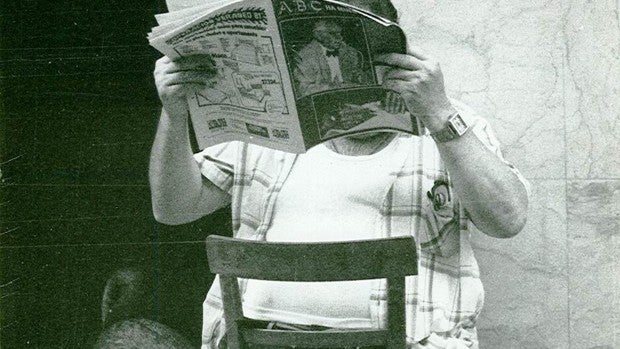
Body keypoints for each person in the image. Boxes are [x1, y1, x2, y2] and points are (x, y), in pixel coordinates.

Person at [150, 0, 530, 348]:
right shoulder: (264, 129)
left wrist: (440, 115)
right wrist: (174, 113)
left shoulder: (449, 123)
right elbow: (173, 209)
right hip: (260, 341)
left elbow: (507, 220)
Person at [293, 19, 371, 97]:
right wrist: (332, 88)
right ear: (318, 35)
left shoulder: (349, 52)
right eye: (332, 33)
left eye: (340, 33)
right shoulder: (305, 56)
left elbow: (357, 75)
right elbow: (304, 89)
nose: (340, 38)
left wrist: (360, 77)